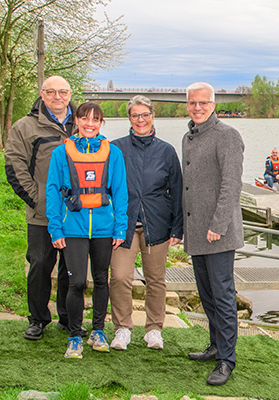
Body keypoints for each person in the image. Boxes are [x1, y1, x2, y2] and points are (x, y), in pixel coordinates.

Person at [45, 102, 128, 358]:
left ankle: (99, 331)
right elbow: (52, 191)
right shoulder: (61, 153)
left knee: (102, 280)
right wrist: (55, 228)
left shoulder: (113, 153)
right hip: (73, 228)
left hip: (104, 228)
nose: (90, 124)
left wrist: (120, 227)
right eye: (85, 119)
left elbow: (121, 192)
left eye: (95, 119)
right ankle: (74, 335)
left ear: (101, 123)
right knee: (76, 282)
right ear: (77, 121)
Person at [5, 75, 77, 340]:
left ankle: (68, 318)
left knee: (72, 268)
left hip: (75, 214)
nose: (57, 97)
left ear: (70, 94)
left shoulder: (82, 124)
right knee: (39, 266)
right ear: (42, 94)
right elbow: (15, 166)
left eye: (62, 92)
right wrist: (38, 200)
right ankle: (37, 319)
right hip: (42, 214)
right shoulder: (25, 127)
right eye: (51, 92)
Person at [109, 95, 184, 351]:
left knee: (156, 279)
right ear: (129, 118)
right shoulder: (115, 148)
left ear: (153, 116)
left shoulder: (166, 151)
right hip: (124, 225)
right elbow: (106, 187)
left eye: (145, 115)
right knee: (119, 277)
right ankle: (122, 328)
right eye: (135, 115)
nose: (140, 120)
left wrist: (177, 228)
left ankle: (153, 329)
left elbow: (176, 191)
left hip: (157, 225)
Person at [183, 82, 244, 386]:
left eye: (203, 103)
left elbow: (231, 186)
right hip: (197, 233)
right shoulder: (189, 137)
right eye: (192, 103)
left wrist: (218, 226)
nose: (197, 107)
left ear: (213, 104)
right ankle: (216, 345)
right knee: (207, 295)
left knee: (223, 296)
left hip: (218, 234)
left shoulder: (227, 136)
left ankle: (227, 360)